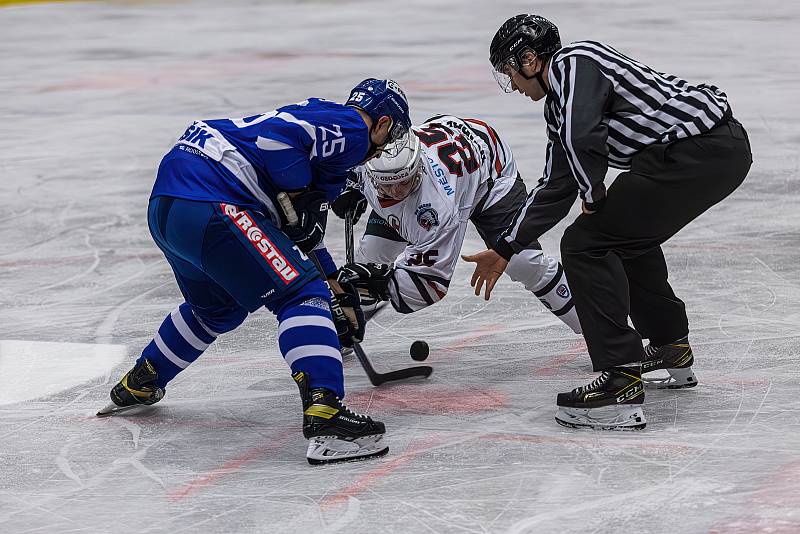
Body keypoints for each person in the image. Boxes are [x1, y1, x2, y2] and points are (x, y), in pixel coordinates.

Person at [98, 78, 413, 464]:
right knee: (301, 297)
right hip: (213, 197)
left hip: (170, 205)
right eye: (392, 132)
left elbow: (296, 234)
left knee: (217, 310)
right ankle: (327, 415)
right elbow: (277, 140)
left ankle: (143, 380)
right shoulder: (353, 128)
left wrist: (334, 285)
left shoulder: (320, 128)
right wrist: (296, 195)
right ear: (381, 122)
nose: (382, 147)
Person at [465, 15, 752, 430]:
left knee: (585, 243)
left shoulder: (573, 63)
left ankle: (620, 381)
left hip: (700, 149)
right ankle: (671, 345)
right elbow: (555, 186)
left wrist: (593, 194)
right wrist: (506, 246)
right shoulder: (557, 105)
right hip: (698, 155)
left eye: (510, 72)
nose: (511, 85)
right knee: (620, 235)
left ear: (529, 59)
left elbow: (584, 139)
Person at [329, 114, 581, 334]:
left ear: (418, 169)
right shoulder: (365, 159)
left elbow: (431, 285)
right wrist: (341, 190)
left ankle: (593, 328)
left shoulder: (438, 207)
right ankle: (344, 329)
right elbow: (330, 170)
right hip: (449, 144)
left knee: (523, 263)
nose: (396, 192)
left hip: (489, 173)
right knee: (368, 260)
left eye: (404, 182)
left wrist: (380, 284)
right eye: (386, 184)